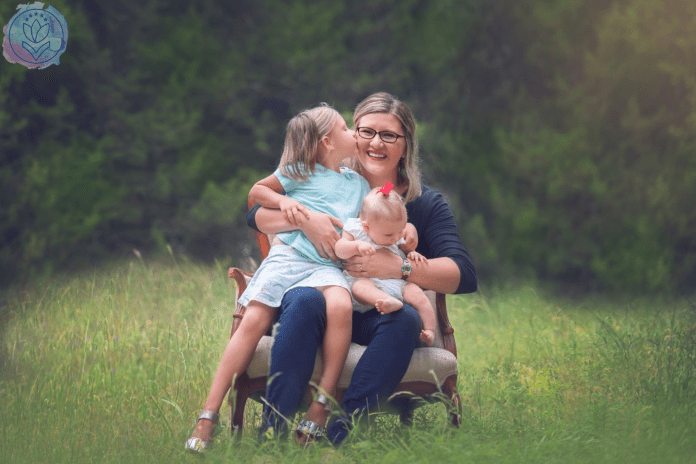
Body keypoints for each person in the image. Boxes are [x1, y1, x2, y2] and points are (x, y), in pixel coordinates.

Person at [248, 92, 477, 445]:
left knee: (406, 319)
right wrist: (306, 221)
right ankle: (272, 434)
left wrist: (398, 268)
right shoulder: (327, 179)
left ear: (406, 145)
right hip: (322, 302)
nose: (375, 143)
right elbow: (255, 214)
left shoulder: (423, 204)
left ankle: (339, 434)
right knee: (305, 300)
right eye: (365, 131)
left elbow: (462, 273)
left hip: (374, 314)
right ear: (351, 133)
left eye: (389, 135)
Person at [185, 104, 370, 453]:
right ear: (328, 142)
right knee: (254, 318)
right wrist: (289, 207)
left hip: (328, 266)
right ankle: (208, 414)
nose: (354, 134)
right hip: (288, 257)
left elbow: (365, 223)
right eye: (347, 128)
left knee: (342, 307)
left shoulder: (358, 184)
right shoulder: (300, 170)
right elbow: (258, 193)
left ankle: (321, 405)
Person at [335, 185, 436, 346]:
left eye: (400, 231)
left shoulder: (394, 234)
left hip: (395, 281)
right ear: (366, 226)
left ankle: (430, 330)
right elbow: (339, 249)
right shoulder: (355, 230)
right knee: (359, 287)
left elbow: (405, 252)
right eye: (389, 235)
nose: (396, 238)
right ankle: (387, 300)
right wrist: (356, 246)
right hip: (367, 283)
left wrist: (413, 254)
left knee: (417, 294)